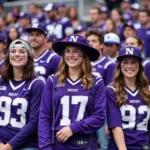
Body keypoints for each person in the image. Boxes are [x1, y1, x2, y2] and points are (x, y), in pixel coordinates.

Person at [38, 34, 106, 150]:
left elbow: (99, 116)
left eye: (76, 51)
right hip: (57, 145)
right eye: (67, 51)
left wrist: (73, 128)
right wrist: (45, 147)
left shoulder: (96, 82)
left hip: (85, 145)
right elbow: (44, 116)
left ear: (84, 55)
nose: (71, 55)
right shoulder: (52, 80)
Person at [0, 39, 44, 150]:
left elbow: (34, 122)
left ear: (29, 57)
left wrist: (9, 146)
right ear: (8, 56)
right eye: (13, 51)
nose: (17, 54)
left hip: (27, 144)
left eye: (22, 51)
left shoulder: (37, 84)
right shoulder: (1, 81)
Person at [107, 46, 150, 149]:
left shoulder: (148, 90)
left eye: (134, 62)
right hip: (119, 146)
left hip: (143, 146)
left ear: (139, 66)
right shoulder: (111, 90)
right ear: (119, 66)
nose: (129, 66)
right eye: (125, 62)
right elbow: (115, 126)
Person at [86, 29, 116, 150]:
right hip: (84, 110)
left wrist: (110, 118)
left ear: (101, 45)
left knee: (104, 145)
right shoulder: (83, 64)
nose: (91, 43)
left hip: (101, 112)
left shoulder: (109, 64)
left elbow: (110, 92)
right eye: (88, 41)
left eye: (94, 41)